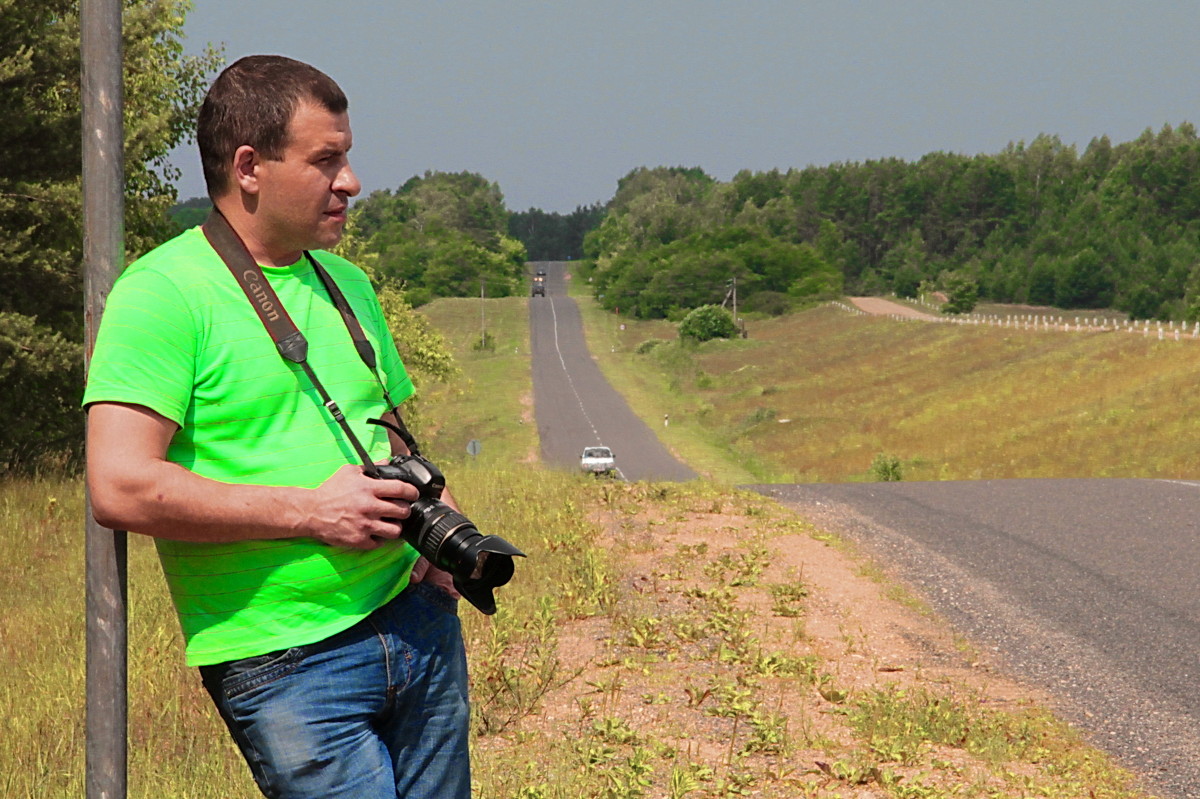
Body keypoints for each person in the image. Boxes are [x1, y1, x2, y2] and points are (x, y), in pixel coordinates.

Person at [84, 55, 471, 799]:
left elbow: (387, 433)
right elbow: (120, 485)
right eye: (327, 159)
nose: (350, 180)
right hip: (287, 658)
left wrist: (438, 515)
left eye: (347, 156)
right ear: (250, 166)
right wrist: (312, 510)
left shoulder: (345, 280)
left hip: (417, 621)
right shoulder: (163, 294)